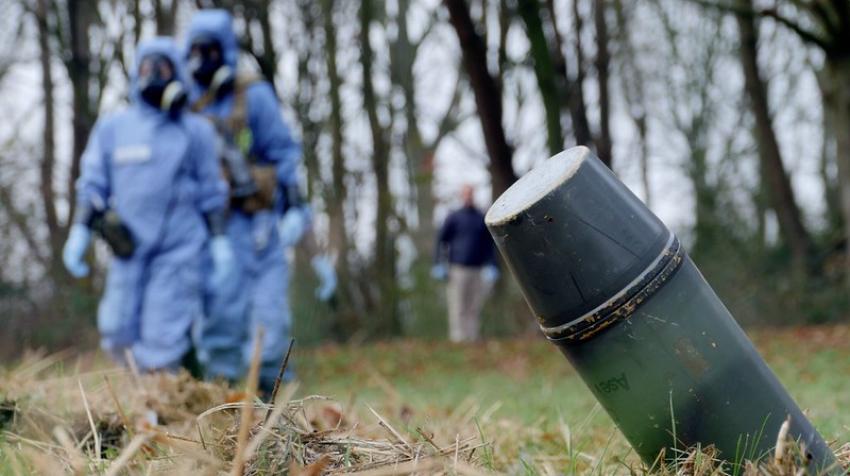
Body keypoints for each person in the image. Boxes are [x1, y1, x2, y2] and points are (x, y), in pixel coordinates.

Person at [184, 10, 334, 392]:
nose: (202, 59)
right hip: (210, 230)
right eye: (195, 50)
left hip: (261, 226)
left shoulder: (255, 96)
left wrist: (297, 213)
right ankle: (216, 401)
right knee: (217, 316)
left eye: (210, 50)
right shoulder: (185, 104)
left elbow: (284, 157)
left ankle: (276, 402)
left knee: (270, 316)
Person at [62, 37, 233, 372]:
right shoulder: (113, 129)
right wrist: (80, 229)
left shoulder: (195, 131)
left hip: (178, 251)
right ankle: (138, 402)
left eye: (162, 67)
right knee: (115, 330)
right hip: (129, 251)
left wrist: (219, 240)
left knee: (161, 338)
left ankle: (160, 411)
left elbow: (212, 191)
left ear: (177, 74)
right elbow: (93, 184)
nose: (153, 74)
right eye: (145, 66)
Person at [432, 184, 500, 342]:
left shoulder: (480, 218)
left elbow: (489, 245)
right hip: (458, 269)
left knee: (474, 306)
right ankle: (458, 339)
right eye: (465, 194)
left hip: (478, 269)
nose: (468, 197)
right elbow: (440, 241)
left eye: (471, 194)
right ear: (461, 196)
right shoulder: (453, 217)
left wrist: (493, 265)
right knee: (459, 306)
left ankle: (473, 338)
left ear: (473, 195)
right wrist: (438, 263)